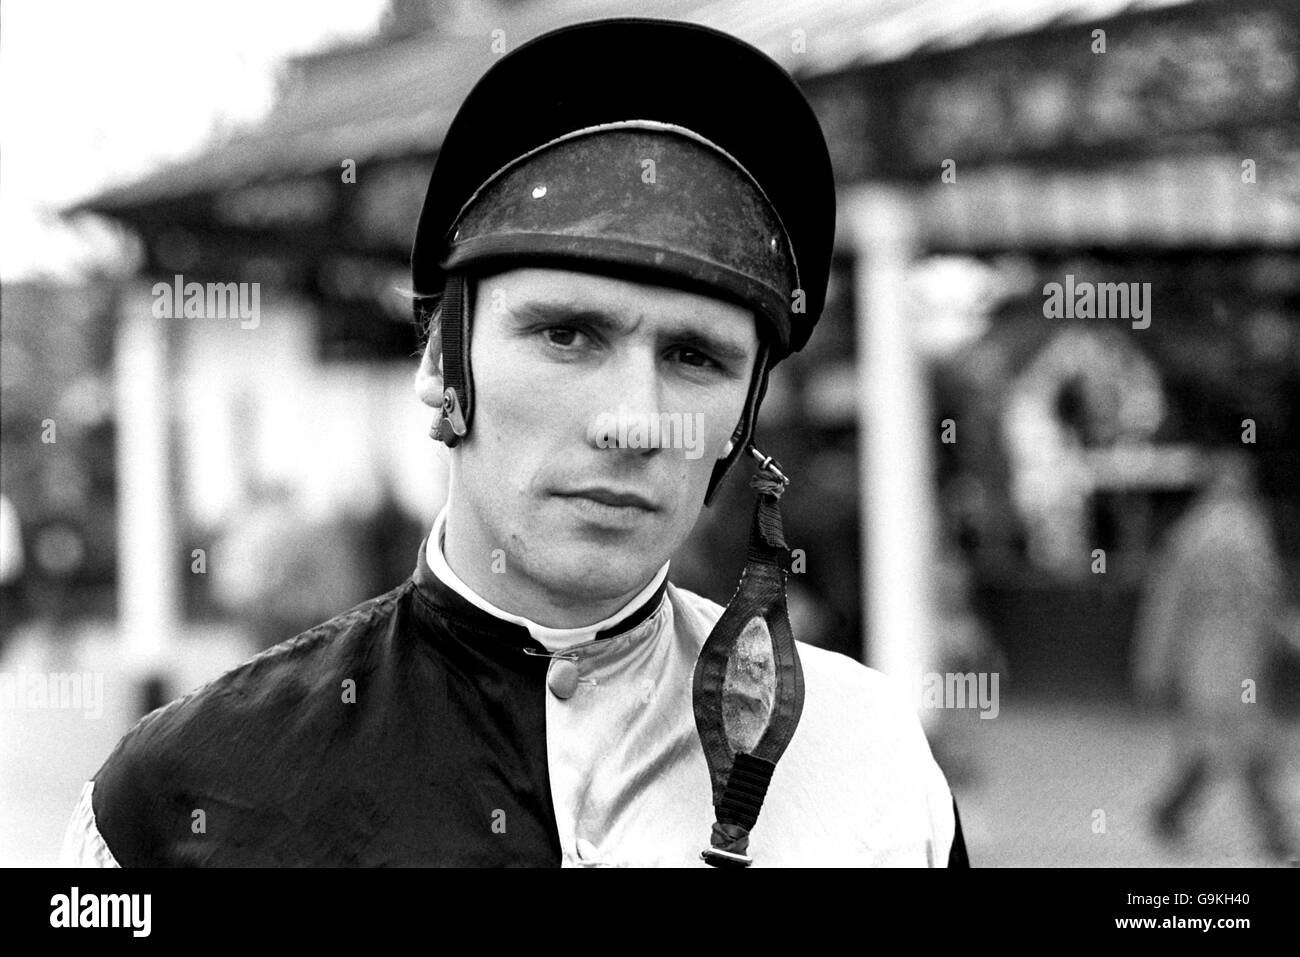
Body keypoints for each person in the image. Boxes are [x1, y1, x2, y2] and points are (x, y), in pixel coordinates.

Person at [62, 17, 967, 867]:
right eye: (567, 334)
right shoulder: (179, 801)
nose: (636, 420)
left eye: (695, 356)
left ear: (743, 417)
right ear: (441, 367)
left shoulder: (868, 761)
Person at [1133, 452, 1296, 860]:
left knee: (1215, 744)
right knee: (1246, 745)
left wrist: (1154, 666)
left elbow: (1164, 608)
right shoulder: (1250, 531)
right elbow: (1268, 598)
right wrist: (1286, 635)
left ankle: (1170, 813)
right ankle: (1275, 835)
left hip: (1203, 663)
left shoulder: (1189, 533)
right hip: (1237, 664)